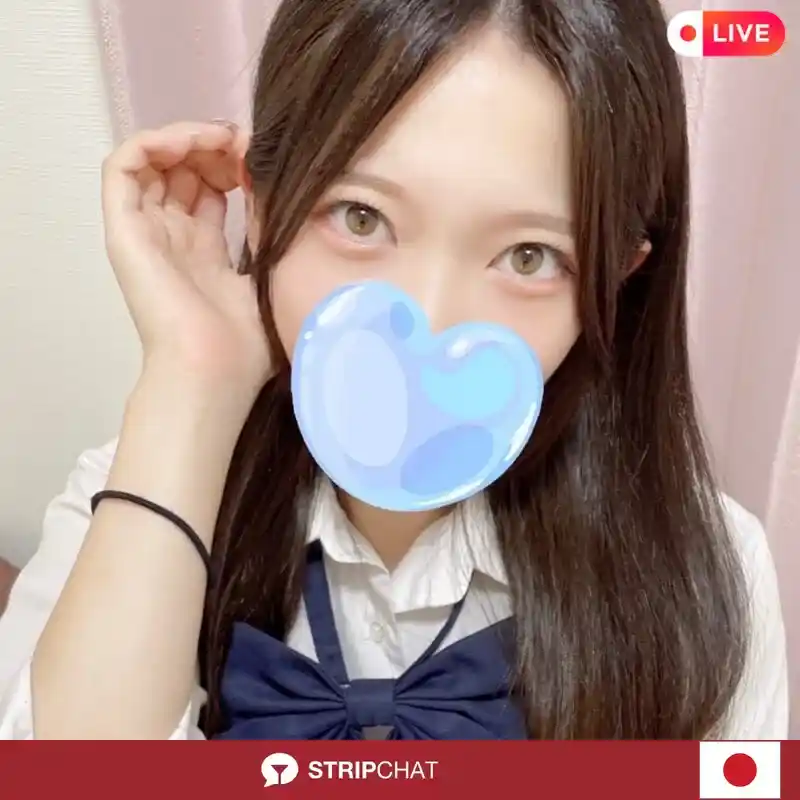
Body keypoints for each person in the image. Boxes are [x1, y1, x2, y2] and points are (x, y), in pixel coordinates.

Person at [0, 0, 788, 740]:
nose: (431, 323)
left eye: (528, 256)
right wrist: (193, 376)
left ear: (614, 281)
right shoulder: (130, 498)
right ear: (264, 208)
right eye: (361, 217)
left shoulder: (712, 574)